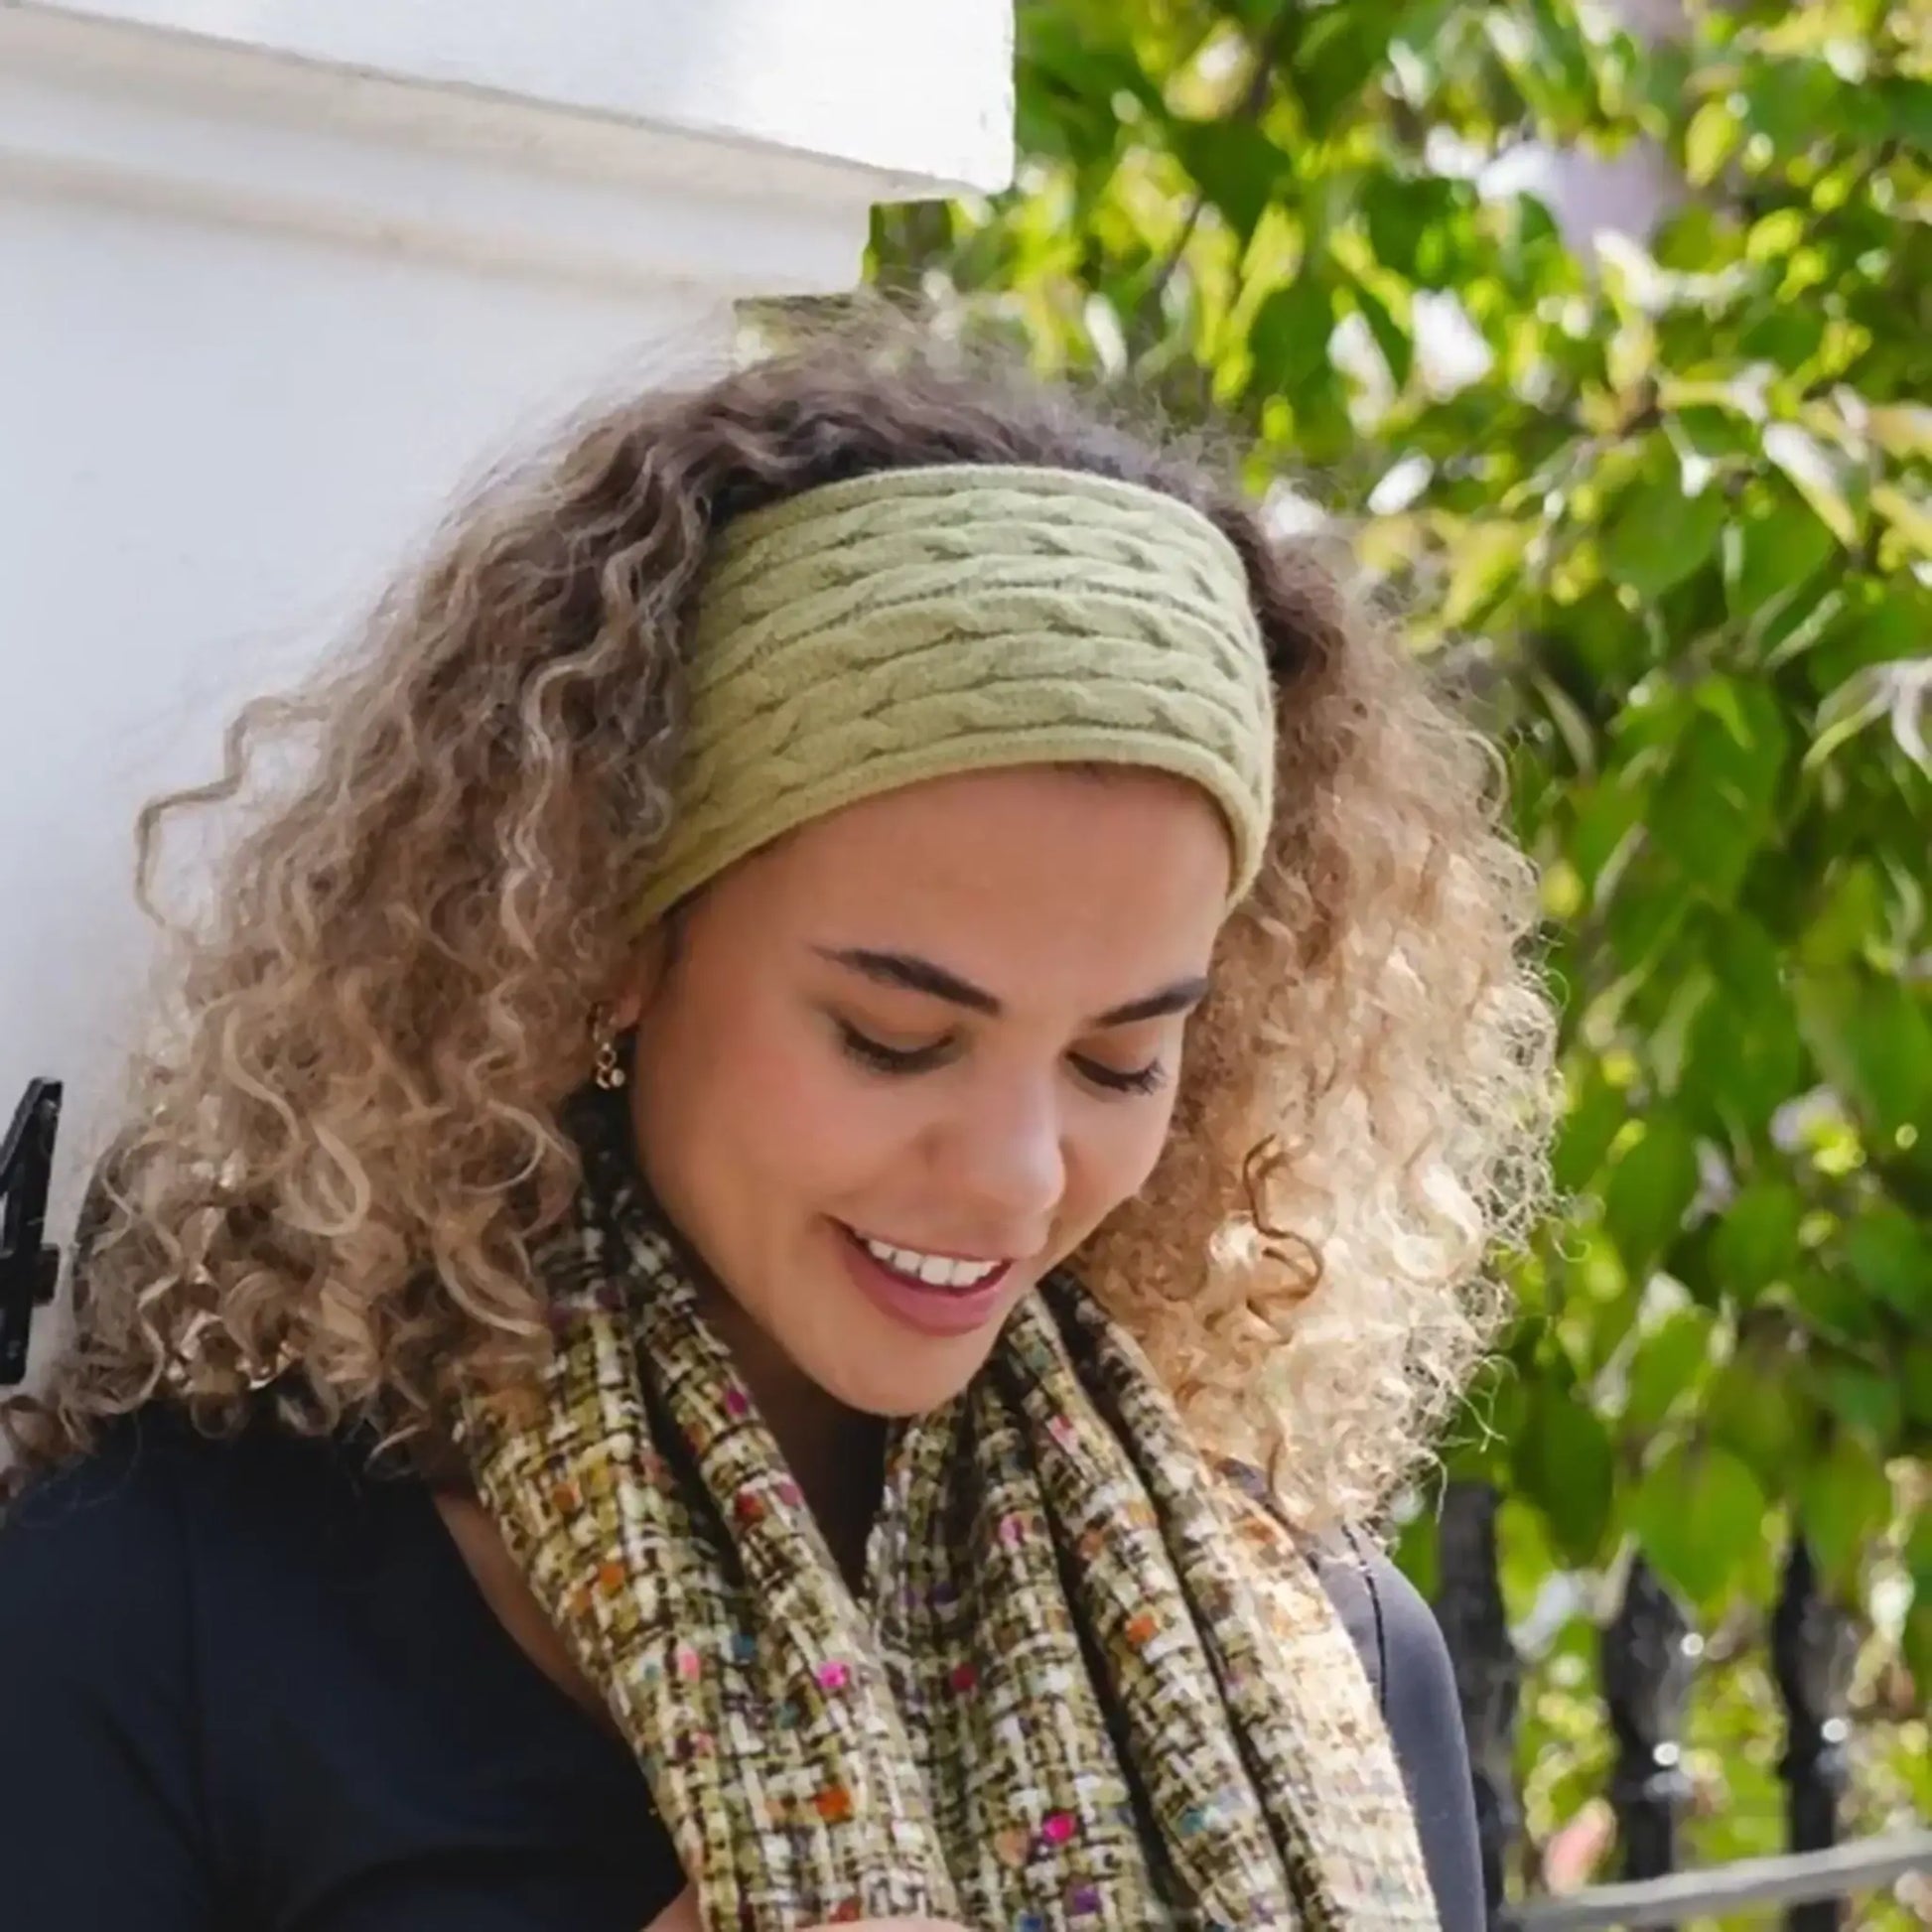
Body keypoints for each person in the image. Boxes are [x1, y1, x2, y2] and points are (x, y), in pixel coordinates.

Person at [0, 340, 1554, 1931]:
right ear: (610, 946)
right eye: (895, 1038)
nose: (1017, 1174)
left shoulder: (1315, 1652)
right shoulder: (173, 1621)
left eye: (1117, 1060)